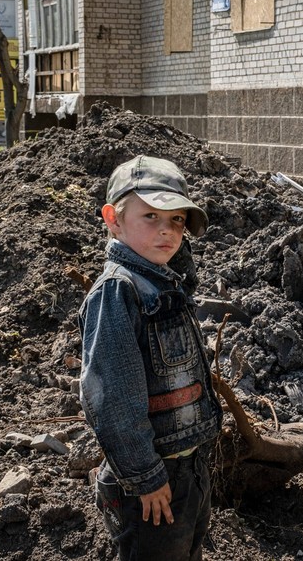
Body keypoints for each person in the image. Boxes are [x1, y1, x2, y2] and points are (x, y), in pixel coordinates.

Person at [79, 155, 223, 561]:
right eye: (151, 216)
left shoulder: (165, 284)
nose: (167, 230)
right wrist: (144, 476)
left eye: (177, 220)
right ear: (113, 219)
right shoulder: (118, 293)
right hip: (153, 482)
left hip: (188, 470)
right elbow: (112, 399)